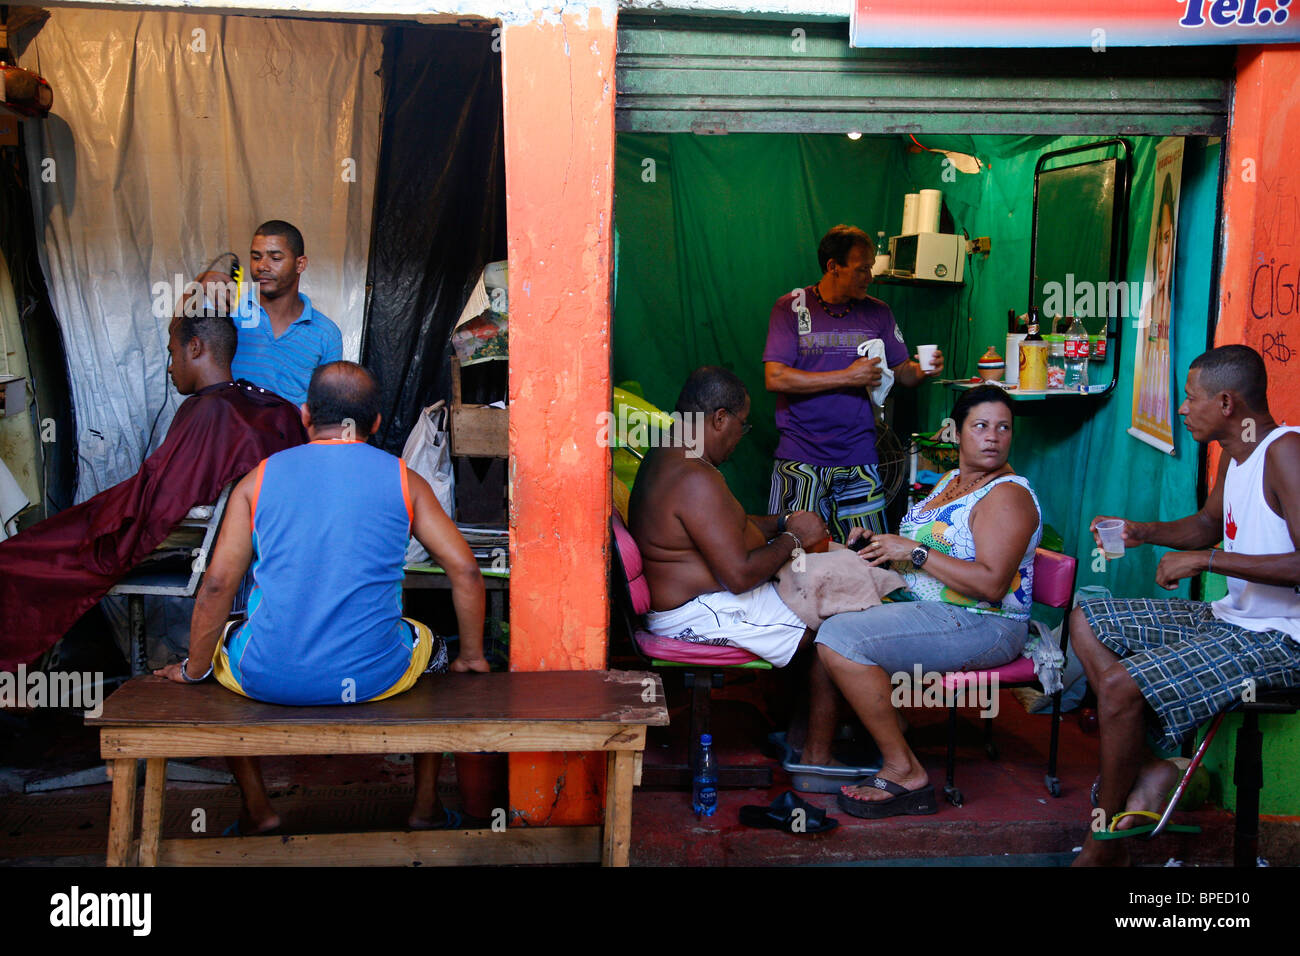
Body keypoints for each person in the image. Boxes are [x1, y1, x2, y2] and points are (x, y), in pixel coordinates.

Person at [156, 361, 488, 833]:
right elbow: (467, 572)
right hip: (378, 676)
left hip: (267, 678)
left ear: (305, 414)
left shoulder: (259, 479)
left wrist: (193, 669)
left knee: (215, 649)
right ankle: (426, 807)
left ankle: (258, 810)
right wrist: (472, 657)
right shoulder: (403, 479)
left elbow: (215, 585)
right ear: (374, 423)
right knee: (435, 654)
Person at [1071, 346, 1300, 867]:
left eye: (1190, 398)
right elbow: (1203, 525)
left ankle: (1104, 844)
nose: (1181, 408)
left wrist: (1206, 561)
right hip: (1231, 620)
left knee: (1118, 686)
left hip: (1282, 638)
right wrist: (1142, 533)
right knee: (1088, 621)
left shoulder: (1285, 451)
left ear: (1225, 402)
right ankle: (1152, 766)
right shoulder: (1238, 454)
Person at [0, 311, 306, 672]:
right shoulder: (264, 405)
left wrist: (106, 525)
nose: (169, 367)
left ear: (195, 348)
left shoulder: (211, 411)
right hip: (244, 547)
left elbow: (159, 503)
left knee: (16, 559)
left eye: (172, 353)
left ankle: (13, 678)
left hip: (165, 536)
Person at [811, 384, 1042, 817]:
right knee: (822, 609)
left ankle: (904, 770)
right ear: (955, 433)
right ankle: (835, 742)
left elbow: (992, 585)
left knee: (839, 638)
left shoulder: (1008, 495)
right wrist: (879, 546)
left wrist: (912, 553)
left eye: (1003, 427)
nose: (992, 436)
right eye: (980, 426)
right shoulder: (952, 481)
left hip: (982, 622)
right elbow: (922, 549)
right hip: (929, 610)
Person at [628, 366, 829, 669]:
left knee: (821, 597)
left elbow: (722, 526)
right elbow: (739, 576)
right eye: (743, 425)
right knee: (830, 628)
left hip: (695, 605)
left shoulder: (668, 455)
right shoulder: (694, 477)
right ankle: (808, 719)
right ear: (720, 418)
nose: (741, 436)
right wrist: (795, 538)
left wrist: (781, 522)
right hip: (695, 614)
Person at [764, 224, 945, 541]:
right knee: (794, 553)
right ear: (833, 266)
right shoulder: (790, 307)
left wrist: (922, 371)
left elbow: (901, 370)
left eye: (871, 268)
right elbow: (775, 377)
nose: (870, 277)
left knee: (870, 555)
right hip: (800, 454)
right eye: (862, 269)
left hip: (859, 454)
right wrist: (849, 376)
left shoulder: (879, 312)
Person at [200, 220, 343, 406]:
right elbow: (181, 347)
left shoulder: (327, 333)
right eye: (256, 257)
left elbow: (328, 408)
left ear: (300, 264)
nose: (262, 266)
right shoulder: (230, 312)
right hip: (232, 432)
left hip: (293, 435)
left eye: (275, 258)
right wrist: (198, 284)